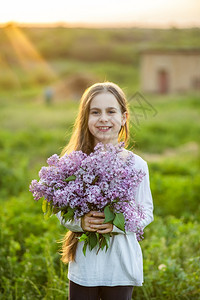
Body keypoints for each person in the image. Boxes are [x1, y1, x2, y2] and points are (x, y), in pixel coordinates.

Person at [57, 82, 154, 300]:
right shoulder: (72, 162)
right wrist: (80, 223)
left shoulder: (137, 165)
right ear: (86, 118)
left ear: (124, 117)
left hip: (120, 267)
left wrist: (117, 224)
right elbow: (60, 211)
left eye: (111, 111)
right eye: (95, 112)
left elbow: (146, 212)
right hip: (85, 266)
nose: (103, 118)